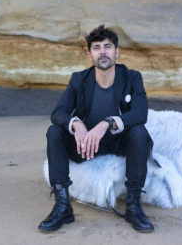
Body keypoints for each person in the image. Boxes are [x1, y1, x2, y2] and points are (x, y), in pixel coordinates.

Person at [38, 25, 155, 233]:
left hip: (119, 143)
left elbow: (141, 113)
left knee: (139, 133)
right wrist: (76, 123)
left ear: (116, 52)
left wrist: (107, 123)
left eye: (107, 47)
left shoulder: (132, 77)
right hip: (85, 146)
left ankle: (133, 205)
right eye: (97, 47)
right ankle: (63, 206)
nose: (102, 52)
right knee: (54, 132)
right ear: (90, 54)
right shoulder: (78, 79)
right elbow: (58, 112)